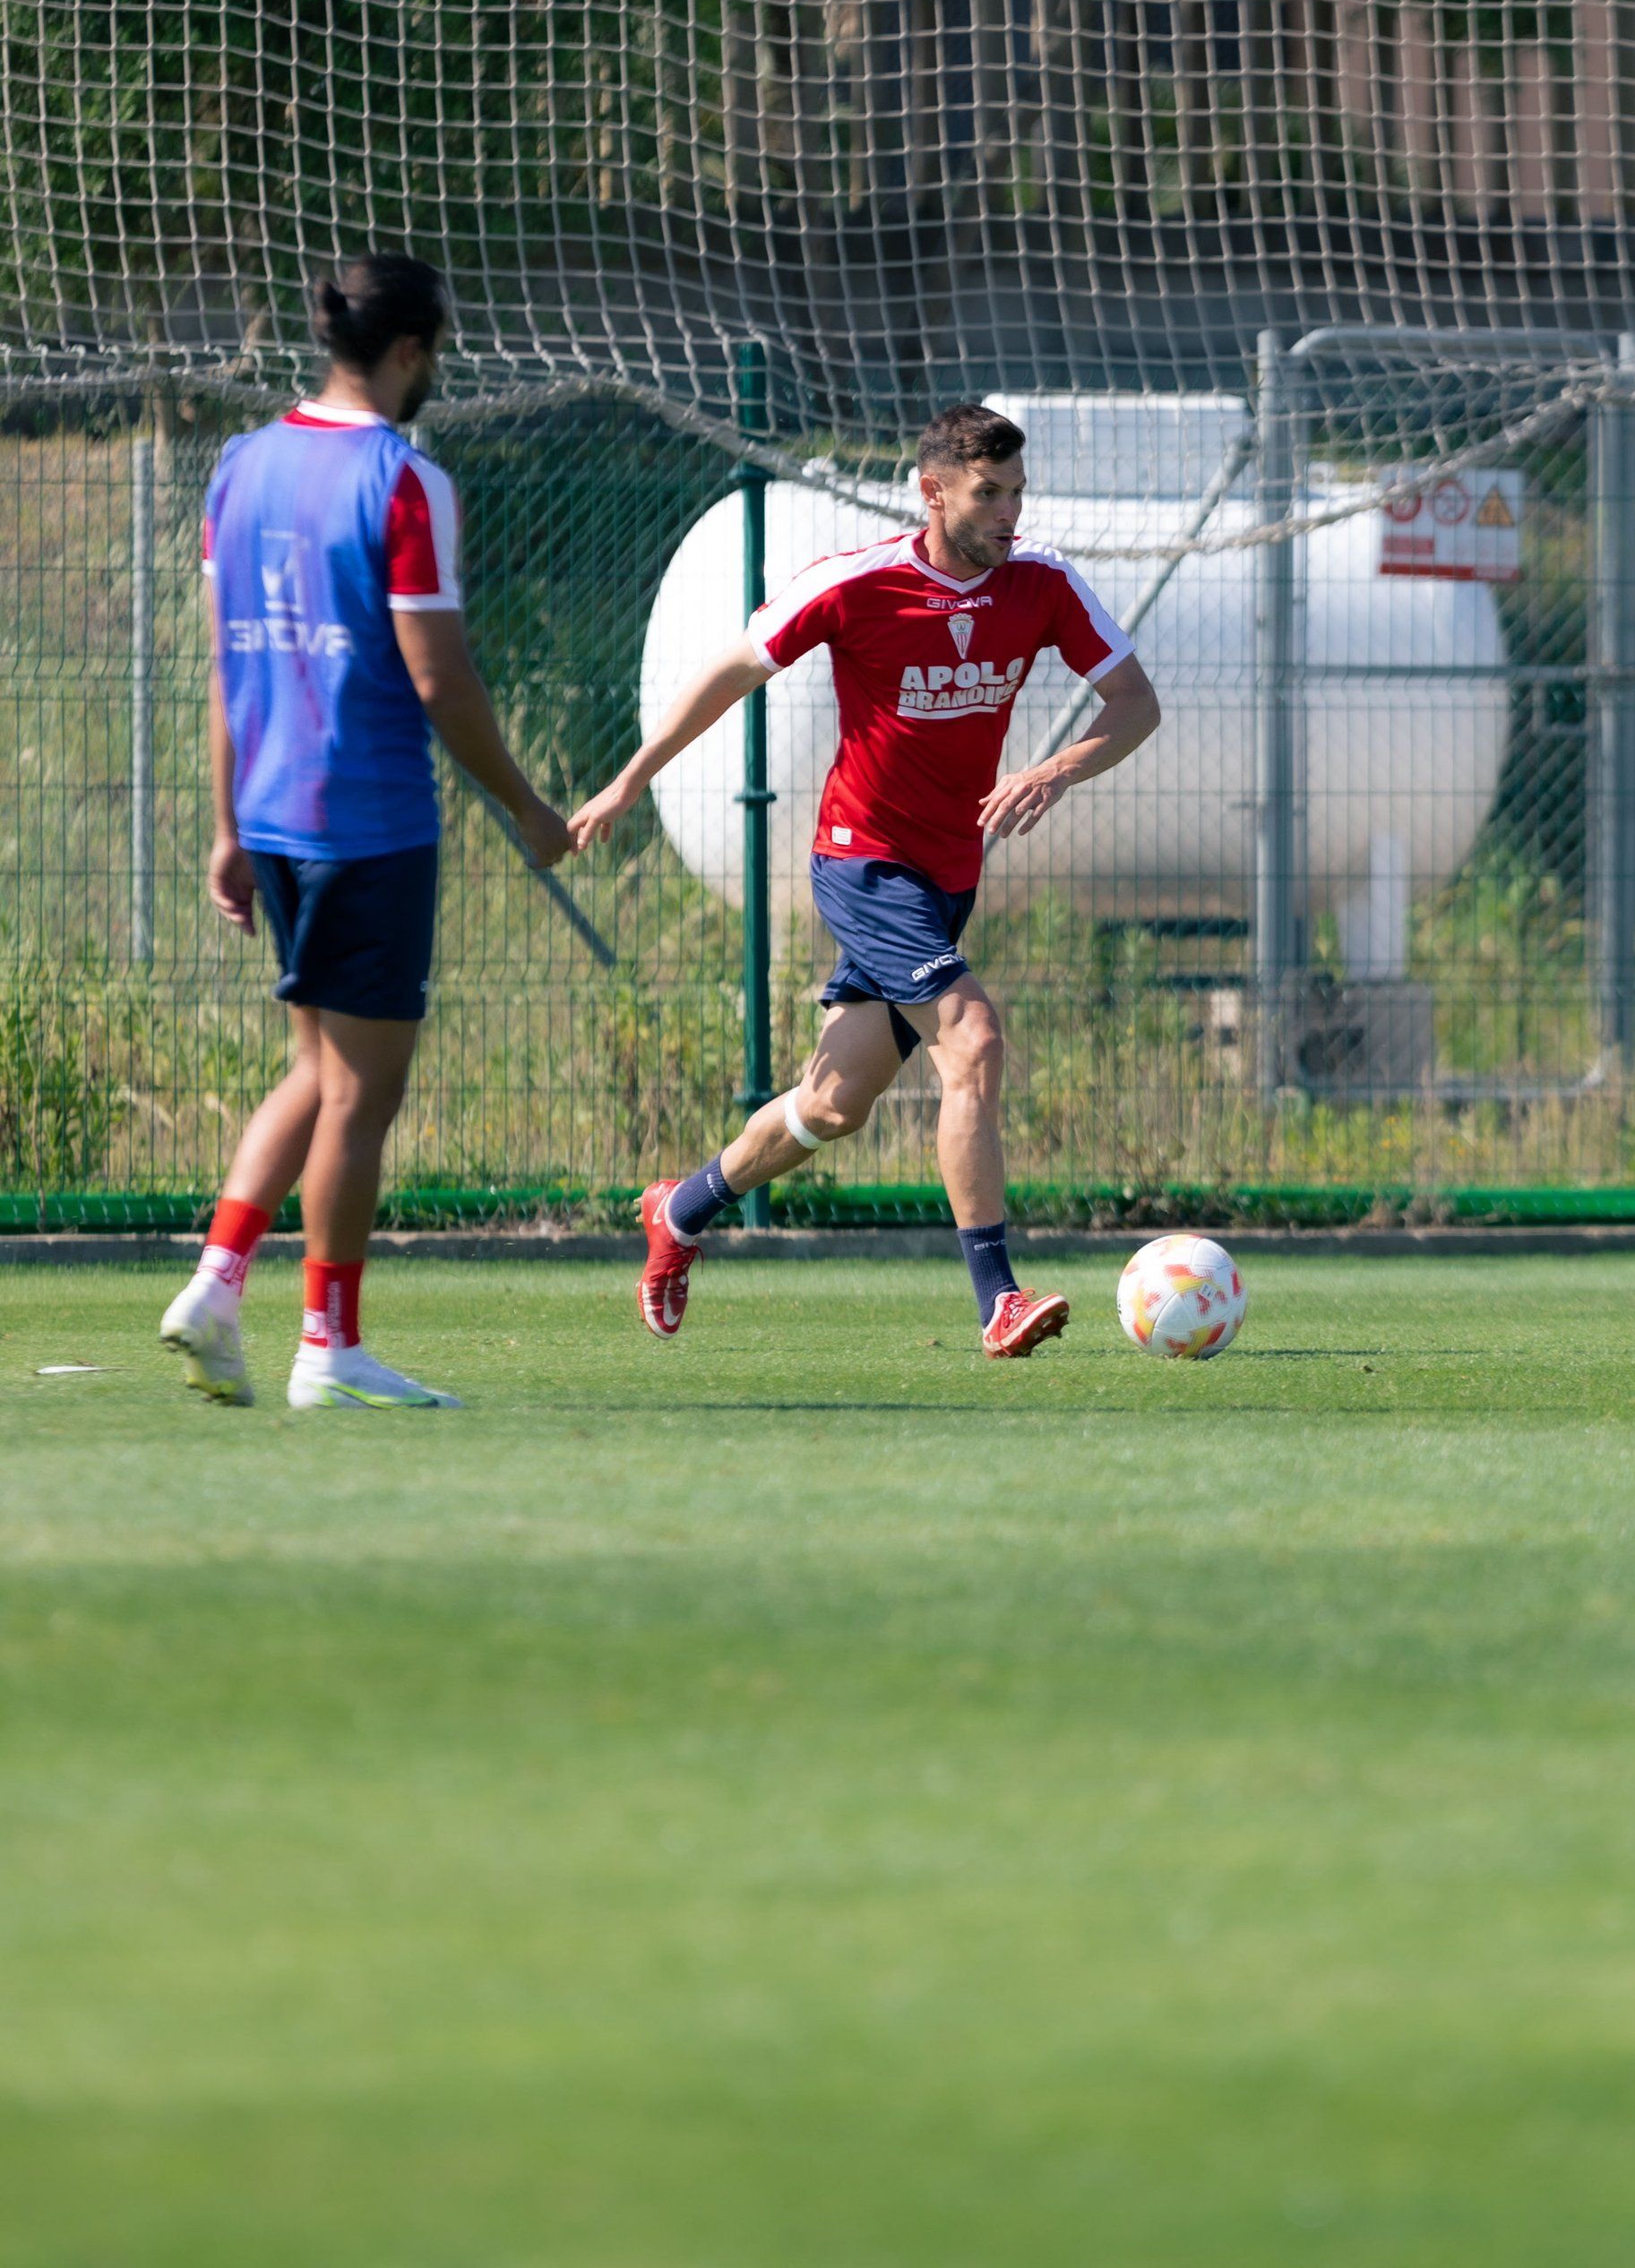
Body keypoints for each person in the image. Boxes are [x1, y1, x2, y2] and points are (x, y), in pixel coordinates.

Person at [571, 402, 1159, 1354]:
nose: (1010, 511)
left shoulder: (1044, 585)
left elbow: (1135, 704)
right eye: (988, 492)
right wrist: (630, 779)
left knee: (833, 1105)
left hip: (945, 876)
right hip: (862, 859)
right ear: (932, 491)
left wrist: (1054, 769)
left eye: (1017, 491)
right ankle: (996, 1297)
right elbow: (732, 670)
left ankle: (677, 1209)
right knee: (973, 1037)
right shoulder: (858, 584)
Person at [159, 255, 572, 1409]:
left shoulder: (239, 466)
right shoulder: (402, 479)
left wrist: (229, 827)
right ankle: (326, 1351)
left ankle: (215, 1281)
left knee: (315, 1066)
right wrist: (530, 809)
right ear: (410, 352)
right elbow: (438, 680)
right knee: (362, 1094)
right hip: (368, 819)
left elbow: (228, 662)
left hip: (278, 816)